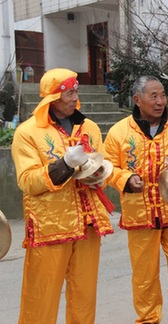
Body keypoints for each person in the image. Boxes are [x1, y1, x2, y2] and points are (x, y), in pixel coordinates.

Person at [11, 68, 114, 324]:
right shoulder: (27, 132)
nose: (75, 97)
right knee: (40, 299)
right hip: (50, 226)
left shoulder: (88, 126)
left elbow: (102, 162)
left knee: (84, 297)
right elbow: (27, 181)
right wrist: (65, 164)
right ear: (52, 97)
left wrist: (99, 174)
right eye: (70, 92)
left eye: (76, 91)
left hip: (88, 224)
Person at [103, 75, 168, 324]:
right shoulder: (119, 132)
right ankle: (148, 319)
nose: (160, 101)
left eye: (163, 95)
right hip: (140, 215)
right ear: (138, 100)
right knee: (144, 276)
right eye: (154, 96)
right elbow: (107, 167)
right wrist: (125, 179)